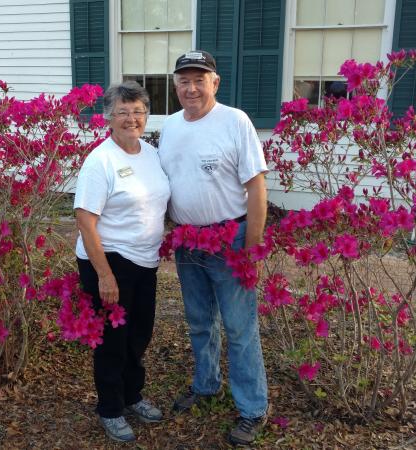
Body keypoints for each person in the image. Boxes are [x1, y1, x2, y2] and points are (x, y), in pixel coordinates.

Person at [159, 50, 269, 446]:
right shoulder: (169, 127)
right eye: (184, 81)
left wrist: (251, 250)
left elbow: (256, 187)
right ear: (175, 86)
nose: (191, 88)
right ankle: (206, 385)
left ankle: (252, 408)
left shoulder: (235, 121)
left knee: (240, 328)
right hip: (188, 241)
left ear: (215, 83)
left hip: (232, 239)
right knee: (200, 321)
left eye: (199, 80)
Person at [74, 81, 171, 443]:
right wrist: (104, 276)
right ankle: (111, 409)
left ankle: (132, 396)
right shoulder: (100, 161)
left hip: (145, 260)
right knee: (112, 340)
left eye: (138, 111)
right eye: (123, 112)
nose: (132, 118)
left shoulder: (150, 153)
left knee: (139, 334)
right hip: (109, 260)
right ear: (108, 118)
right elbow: (85, 220)